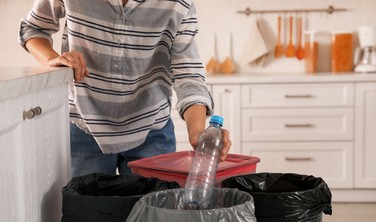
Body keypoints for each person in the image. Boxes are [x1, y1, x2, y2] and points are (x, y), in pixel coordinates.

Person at [19, 0, 231, 177]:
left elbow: (188, 74)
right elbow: (33, 27)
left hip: (152, 131)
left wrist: (198, 133)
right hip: (83, 130)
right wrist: (53, 59)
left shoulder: (178, 3)